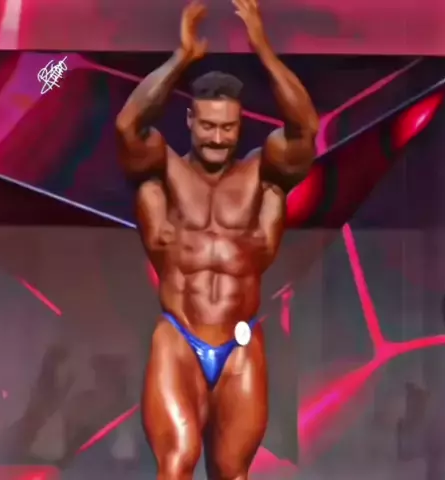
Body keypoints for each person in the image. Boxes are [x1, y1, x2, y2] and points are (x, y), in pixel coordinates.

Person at [115, 0, 318, 477]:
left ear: (241, 125)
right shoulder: (161, 174)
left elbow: (305, 129)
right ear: (190, 120)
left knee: (232, 472)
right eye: (208, 126)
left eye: (228, 128)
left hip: (239, 346)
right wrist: (181, 58)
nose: (218, 138)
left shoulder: (263, 177)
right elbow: (128, 126)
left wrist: (262, 49)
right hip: (179, 338)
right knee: (177, 461)